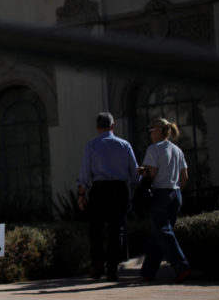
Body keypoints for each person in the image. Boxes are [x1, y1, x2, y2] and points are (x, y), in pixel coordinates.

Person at [77, 111, 139, 281]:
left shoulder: (91, 146)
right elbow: (134, 173)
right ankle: (113, 269)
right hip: (119, 189)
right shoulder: (124, 145)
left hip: (99, 190)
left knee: (96, 230)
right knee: (117, 229)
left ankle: (98, 268)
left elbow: (85, 173)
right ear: (113, 126)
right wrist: (134, 189)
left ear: (97, 128)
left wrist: (82, 194)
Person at [138, 117, 191, 283]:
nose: (150, 134)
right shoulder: (177, 150)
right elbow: (185, 177)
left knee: (163, 232)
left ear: (159, 131)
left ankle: (182, 267)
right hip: (176, 195)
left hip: (161, 193)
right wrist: (176, 190)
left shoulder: (154, 149)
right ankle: (148, 272)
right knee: (158, 233)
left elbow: (152, 173)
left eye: (151, 131)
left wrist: (141, 171)